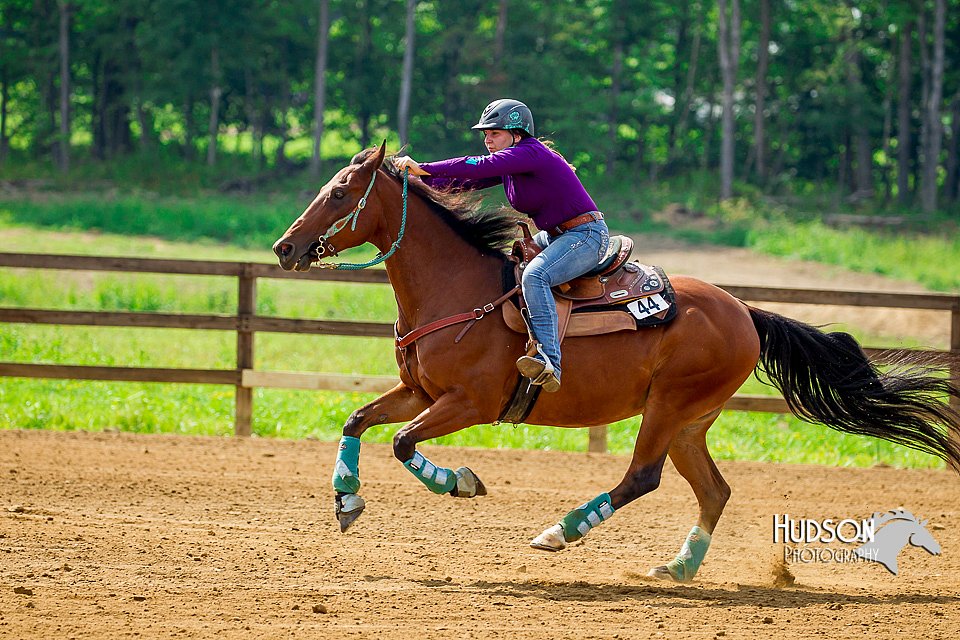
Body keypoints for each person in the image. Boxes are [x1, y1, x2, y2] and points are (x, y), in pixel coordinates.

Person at [393, 98, 609, 393]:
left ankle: (549, 361)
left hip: (585, 237)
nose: (487, 139)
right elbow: (461, 181)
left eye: (494, 133)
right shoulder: (514, 163)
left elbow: (476, 165)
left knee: (535, 276)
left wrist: (423, 167)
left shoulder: (529, 152)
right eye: (485, 134)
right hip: (558, 236)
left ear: (517, 134)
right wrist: (414, 183)